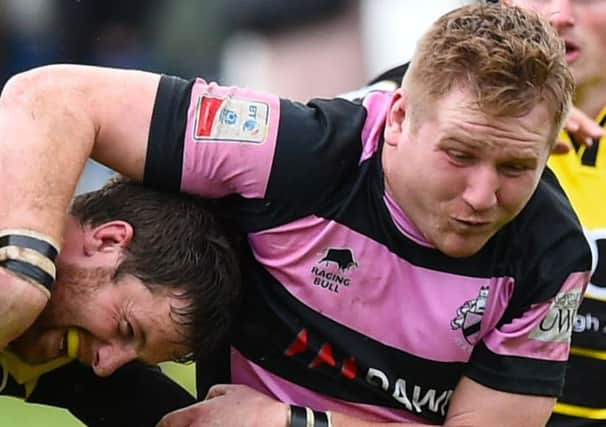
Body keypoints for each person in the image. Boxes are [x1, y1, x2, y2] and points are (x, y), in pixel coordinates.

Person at [0, 3, 592, 426]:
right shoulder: (298, 152)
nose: (482, 196)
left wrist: (291, 422)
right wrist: (20, 282)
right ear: (400, 119)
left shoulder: (549, 252)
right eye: (459, 155)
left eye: (516, 167)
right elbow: (52, 96)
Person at [2, 177, 241, 426]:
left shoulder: (76, 362)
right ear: (109, 241)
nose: (104, 366)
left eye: (136, 358)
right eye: (126, 329)